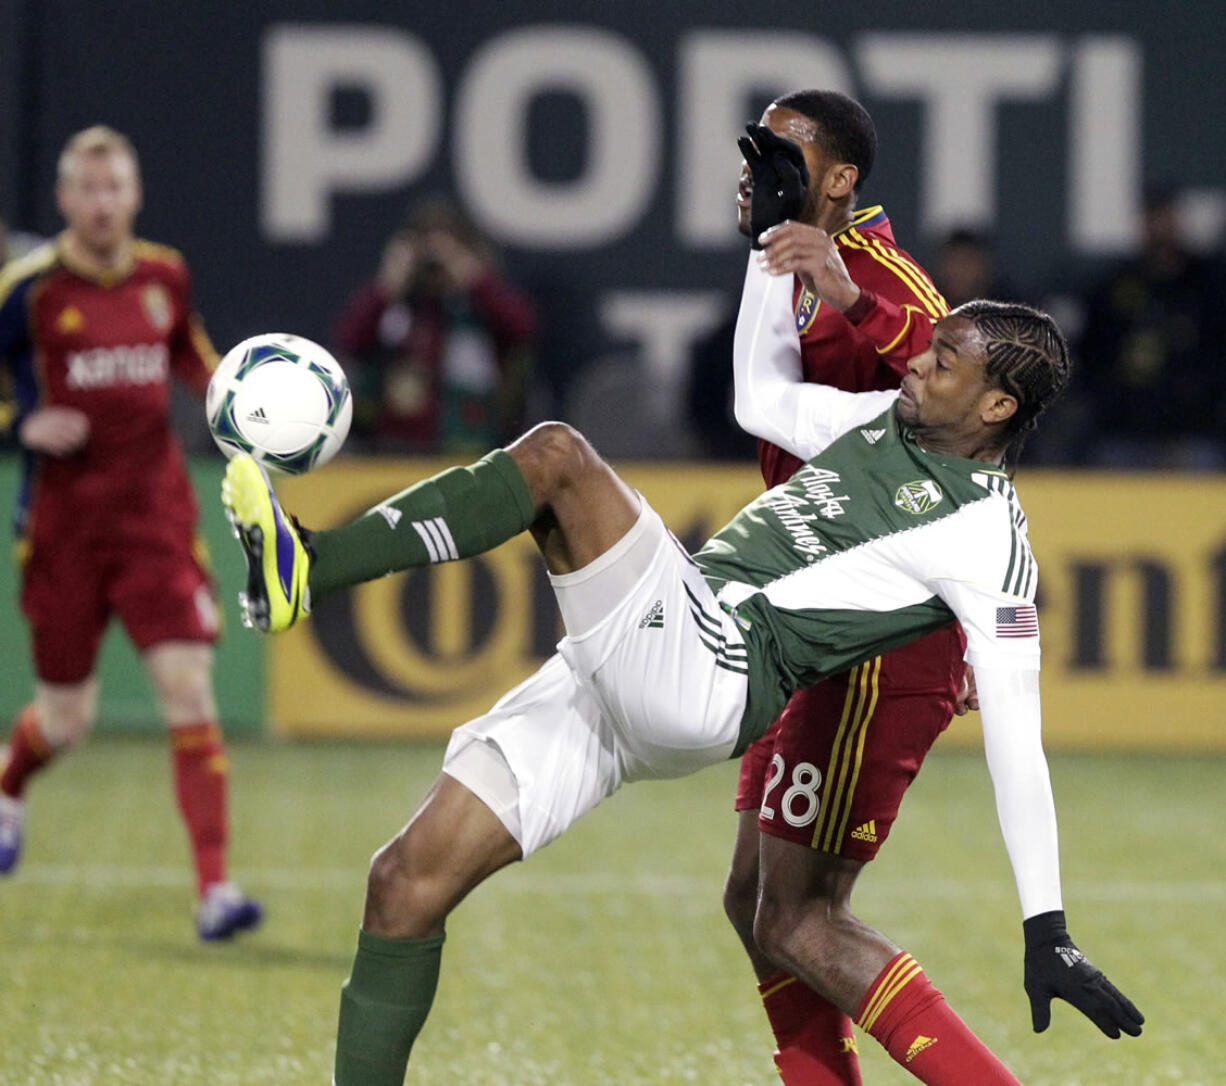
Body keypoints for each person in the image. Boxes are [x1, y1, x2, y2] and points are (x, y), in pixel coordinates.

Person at [221, 236, 1142, 1081]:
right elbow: (759, 396)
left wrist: (1046, 927)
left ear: (996, 405)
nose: (920, 362)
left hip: (713, 665)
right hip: (627, 675)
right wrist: (763, 248)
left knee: (558, 460)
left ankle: (311, 564)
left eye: (945, 360)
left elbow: (1019, 744)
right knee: (404, 884)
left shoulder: (987, 536)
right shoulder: (883, 418)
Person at [722, 91, 966, 1084]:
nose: (752, 170)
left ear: (838, 180)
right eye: (749, 153)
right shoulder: (776, 274)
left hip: (873, 621)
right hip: (808, 612)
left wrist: (850, 294)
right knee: (752, 903)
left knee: (800, 915)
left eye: (781, 154)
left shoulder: (877, 272)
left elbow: (968, 403)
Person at [0, 125, 261, 941]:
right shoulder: (28, 291)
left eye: (117, 189)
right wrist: (23, 422)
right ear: (65, 199)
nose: (104, 204)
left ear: (135, 196)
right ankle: (9, 787)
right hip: (65, 526)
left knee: (188, 688)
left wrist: (240, 406)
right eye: (89, 189)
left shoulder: (164, 275)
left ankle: (215, 891)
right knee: (66, 720)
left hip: (155, 518)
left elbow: (190, 354)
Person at [332, 194, 538, 454]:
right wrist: (387, 285)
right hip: (394, 450)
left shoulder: (479, 305)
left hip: (471, 447)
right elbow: (348, 340)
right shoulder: (394, 305)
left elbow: (523, 327)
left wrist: (472, 277)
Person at [1076, 185, 1226, 468]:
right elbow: (1091, 357)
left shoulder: (1209, 286)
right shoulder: (1114, 288)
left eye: (1166, 218)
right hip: (1126, 431)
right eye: (1152, 219)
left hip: (1195, 431)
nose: (1160, 228)